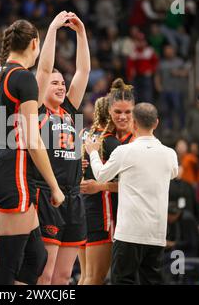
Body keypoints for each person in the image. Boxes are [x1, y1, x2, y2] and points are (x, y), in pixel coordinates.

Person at [0, 19, 64, 285]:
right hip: (12, 170)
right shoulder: (22, 77)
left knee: (36, 257)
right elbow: (33, 139)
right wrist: (55, 186)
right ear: (34, 44)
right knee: (6, 267)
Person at [85, 102, 178, 285]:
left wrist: (93, 153)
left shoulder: (124, 151)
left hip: (128, 232)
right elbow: (173, 173)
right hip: (156, 234)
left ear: (133, 123)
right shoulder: (170, 154)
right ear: (156, 123)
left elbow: (101, 176)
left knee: (123, 281)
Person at [35, 11, 90, 285]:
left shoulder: (69, 110)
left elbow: (83, 71)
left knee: (65, 275)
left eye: (62, 83)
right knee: (45, 274)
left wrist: (81, 33)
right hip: (48, 194)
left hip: (74, 195)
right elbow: (43, 69)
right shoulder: (36, 110)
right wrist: (54, 28)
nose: (61, 86)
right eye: (55, 83)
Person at [78, 97, 120, 285]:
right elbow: (128, 184)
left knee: (85, 276)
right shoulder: (111, 143)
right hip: (102, 214)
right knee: (95, 279)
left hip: (81, 211)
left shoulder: (84, 135)